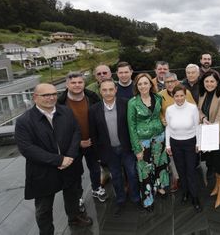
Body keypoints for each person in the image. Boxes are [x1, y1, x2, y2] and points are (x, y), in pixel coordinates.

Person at [15, 83, 93, 234]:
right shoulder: (24, 121)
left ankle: (74, 217)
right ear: (35, 97)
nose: (51, 98)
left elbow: (76, 132)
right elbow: (27, 148)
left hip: (69, 164)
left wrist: (69, 156)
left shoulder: (66, 112)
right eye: (46, 95)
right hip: (43, 170)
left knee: (72, 195)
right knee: (44, 207)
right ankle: (46, 231)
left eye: (53, 94)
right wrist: (59, 160)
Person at [89, 79, 140, 217]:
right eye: (104, 90)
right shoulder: (94, 110)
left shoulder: (126, 104)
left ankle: (136, 198)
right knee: (116, 177)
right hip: (109, 151)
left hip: (127, 149)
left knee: (132, 174)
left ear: (116, 89)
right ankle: (121, 200)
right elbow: (94, 134)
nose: (108, 93)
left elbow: (133, 125)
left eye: (111, 89)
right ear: (100, 91)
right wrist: (98, 155)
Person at [57, 72, 107, 209]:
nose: (77, 85)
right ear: (67, 85)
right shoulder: (60, 103)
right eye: (73, 83)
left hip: (92, 142)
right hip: (72, 145)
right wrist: (78, 142)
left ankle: (97, 189)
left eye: (80, 82)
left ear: (84, 83)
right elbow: (59, 129)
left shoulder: (92, 97)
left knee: (95, 168)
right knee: (75, 172)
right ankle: (78, 196)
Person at [127, 73, 169, 212]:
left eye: (146, 83)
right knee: (144, 170)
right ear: (136, 87)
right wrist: (136, 148)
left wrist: (163, 120)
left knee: (160, 164)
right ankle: (148, 198)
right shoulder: (132, 102)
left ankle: (160, 187)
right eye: (140, 84)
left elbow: (161, 113)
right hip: (142, 141)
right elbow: (131, 127)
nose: (143, 86)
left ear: (151, 84)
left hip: (159, 137)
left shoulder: (158, 98)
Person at [165, 85, 202, 212]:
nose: (179, 98)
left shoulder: (192, 108)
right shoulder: (169, 110)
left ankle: (195, 197)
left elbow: (197, 126)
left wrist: (198, 143)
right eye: (176, 96)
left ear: (185, 95)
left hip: (190, 143)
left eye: (181, 95)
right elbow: (168, 128)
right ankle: (185, 192)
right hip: (175, 144)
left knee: (191, 171)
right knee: (181, 170)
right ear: (173, 96)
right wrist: (168, 145)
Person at [198, 70, 220, 209]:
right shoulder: (202, 94)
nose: (209, 84)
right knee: (213, 164)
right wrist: (204, 118)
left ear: (217, 82)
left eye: (212, 81)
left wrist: (211, 129)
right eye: (207, 81)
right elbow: (199, 110)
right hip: (208, 137)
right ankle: (217, 187)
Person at [159, 72, 196, 193]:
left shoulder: (186, 93)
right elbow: (159, 113)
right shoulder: (160, 96)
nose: (169, 84)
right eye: (167, 82)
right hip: (173, 135)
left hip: (189, 137)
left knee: (190, 168)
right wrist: (161, 119)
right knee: (177, 165)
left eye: (172, 81)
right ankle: (178, 181)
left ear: (177, 82)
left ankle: (193, 192)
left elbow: (194, 111)